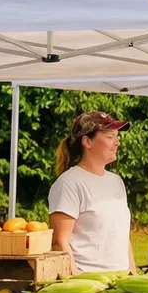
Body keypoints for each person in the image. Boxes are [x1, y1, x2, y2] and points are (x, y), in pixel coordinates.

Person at [48, 111, 134, 274]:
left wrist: (133, 275)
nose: (117, 143)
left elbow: (123, 238)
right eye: (110, 137)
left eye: (117, 137)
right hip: (90, 285)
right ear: (87, 141)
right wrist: (78, 284)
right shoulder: (69, 184)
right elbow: (60, 243)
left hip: (122, 282)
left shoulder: (116, 182)